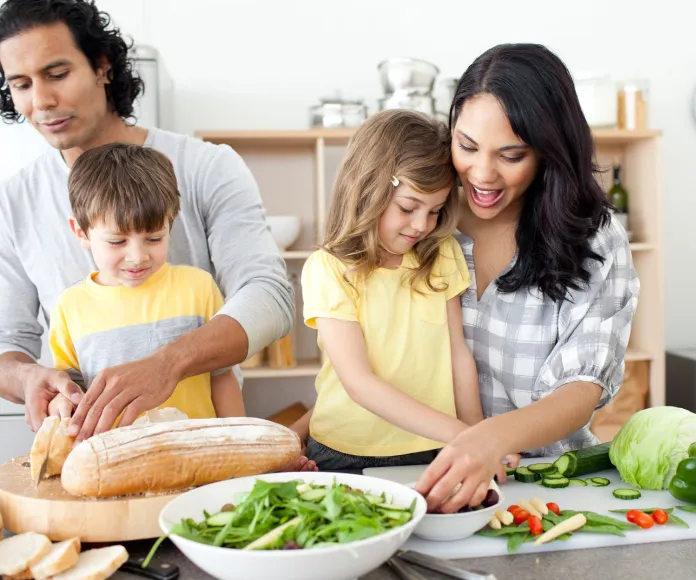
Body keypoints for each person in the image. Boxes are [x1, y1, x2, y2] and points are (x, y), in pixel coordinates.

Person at [0, 0, 295, 443]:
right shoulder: (14, 201)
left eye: (57, 74)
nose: (41, 101)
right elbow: (9, 342)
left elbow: (270, 297)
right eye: (21, 84)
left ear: (103, 67)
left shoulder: (206, 166)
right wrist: (26, 378)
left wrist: (168, 364)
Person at [414, 43, 640, 512]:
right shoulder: (422, 221)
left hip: (551, 488)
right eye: (467, 146)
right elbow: (371, 345)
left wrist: (489, 440)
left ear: (549, 150)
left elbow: (581, 389)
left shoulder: (595, 240)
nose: (482, 173)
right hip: (423, 480)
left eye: (511, 155)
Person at [293, 109, 496, 472]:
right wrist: (460, 434)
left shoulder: (441, 253)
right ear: (368, 190)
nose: (422, 225)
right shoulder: (329, 269)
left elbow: (458, 357)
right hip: (346, 452)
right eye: (408, 207)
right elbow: (359, 384)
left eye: (434, 211)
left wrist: (477, 437)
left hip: (433, 448)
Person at [46, 142, 245, 424]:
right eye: (117, 241)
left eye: (154, 238)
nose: (137, 257)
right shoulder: (70, 307)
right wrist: (60, 403)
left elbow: (222, 376)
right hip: (115, 460)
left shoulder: (198, 287)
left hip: (200, 456)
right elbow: (72, 393)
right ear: (81, 232)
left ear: (170, 223)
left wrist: (238, 444)